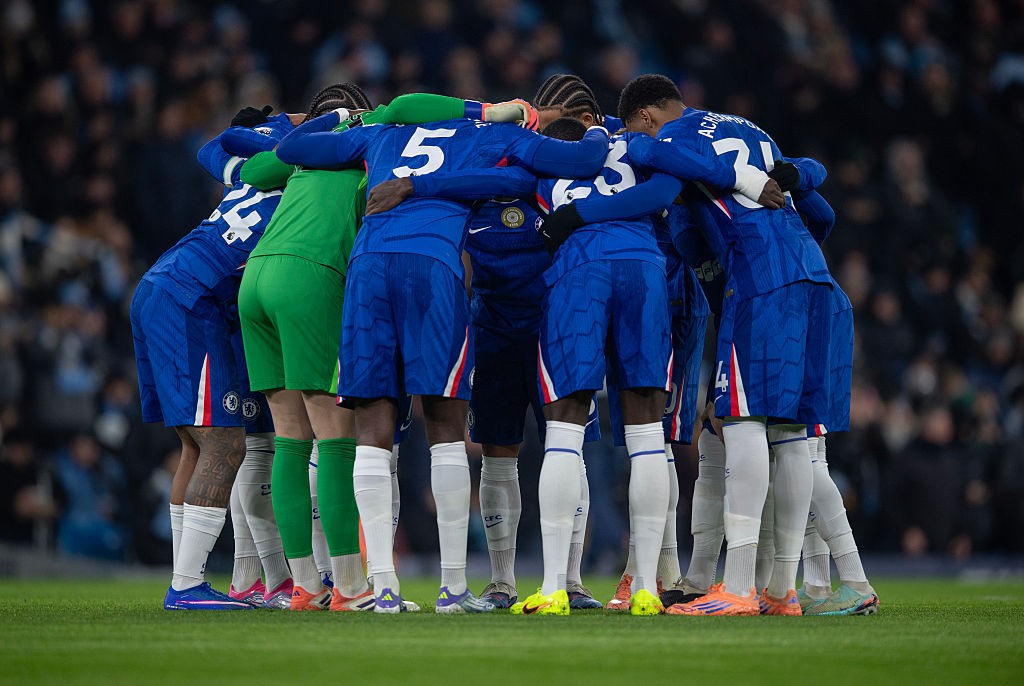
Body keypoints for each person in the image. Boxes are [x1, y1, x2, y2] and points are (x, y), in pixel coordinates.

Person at [276, 106, 611, 613]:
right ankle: (453, 588)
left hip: (368, 266)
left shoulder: (383, 132)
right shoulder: (494, 134)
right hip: (432, 267)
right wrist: (600, 128)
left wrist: (345, 115)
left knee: (373, 427)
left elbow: (291, 148)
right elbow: (576, 164)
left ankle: (382, 589)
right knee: (445, 426)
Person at [237, 85, 490, 611]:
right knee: (334, 437)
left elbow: (251, 166)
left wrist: (310, 122)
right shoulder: (373, 154)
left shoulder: (304, 162)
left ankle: (305, 585)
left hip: (256, 277)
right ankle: (351, 587)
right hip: (312, 278)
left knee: (289, 440)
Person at [616, 74, 833, 616]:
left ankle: (736, 587)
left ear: (646, 116)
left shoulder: (669, 138)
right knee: (791, 433)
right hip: (811, 271)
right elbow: (823, 210)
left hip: (758, 278)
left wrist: (739, 182)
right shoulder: (749, 128)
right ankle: (782, 590)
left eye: (637, 129)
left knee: (741, 421)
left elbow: (651, 154)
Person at [129, 111, 295, 610]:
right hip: (190, 300)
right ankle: (185, 586)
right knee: (224, 444)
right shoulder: (302, 189)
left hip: (162, 285)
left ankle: (186, 579)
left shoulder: (253, 174)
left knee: (195, 446)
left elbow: (215, 144)